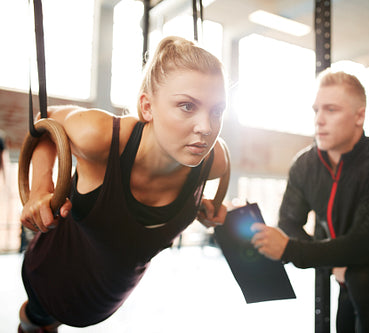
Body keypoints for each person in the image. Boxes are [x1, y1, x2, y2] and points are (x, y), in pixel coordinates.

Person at [18, 36, 229, 332]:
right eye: (186, 106)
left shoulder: (213, 162)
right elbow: (46, 122)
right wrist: (41, 189)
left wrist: (198, 205)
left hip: (107, 300)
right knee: (40, 321)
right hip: (51, 280)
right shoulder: (100, 137)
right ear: (147, 107)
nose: (206, 127)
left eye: (217, 110)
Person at [251, 70, 369, 333]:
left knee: (361, 278)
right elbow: (289, 221)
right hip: (345, 267)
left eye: (331, 110)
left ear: (359, 116)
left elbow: (365, 244)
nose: (319, 120)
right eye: (316, 110)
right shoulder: (304, 165)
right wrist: (328, 261)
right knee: (346, 318)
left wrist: (292, 251)